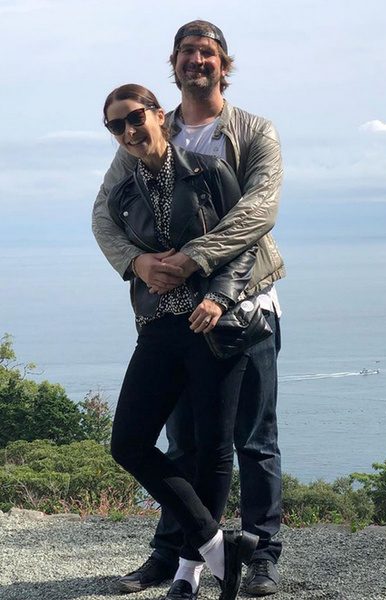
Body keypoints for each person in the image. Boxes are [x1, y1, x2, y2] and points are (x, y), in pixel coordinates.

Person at [92, 21, 284, 597]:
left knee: (252, 440)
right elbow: (105, 213)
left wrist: (196, 260)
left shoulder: (251, 131)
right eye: (185, 52)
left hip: (244, 303)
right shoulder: (148, 130)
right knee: (181, 443)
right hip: (173, 313)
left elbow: (257, 212)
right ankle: (182, 553)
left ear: (224, 63)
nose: (196, 60)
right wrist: (136, 262)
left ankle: (259, 554)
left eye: (207, 52)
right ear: (172, 65)